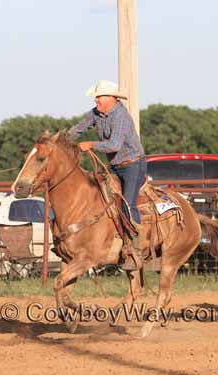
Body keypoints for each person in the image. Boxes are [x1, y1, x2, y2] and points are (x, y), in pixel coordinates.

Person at [69, 80, 146, 270]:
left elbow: (114, 145)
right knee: (102, 201)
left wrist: (91, 144)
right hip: (115, 165)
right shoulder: (97, 113)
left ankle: (134, 248)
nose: (96, 100)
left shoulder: (121, 116)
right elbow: (80, 127)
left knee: (127, 204)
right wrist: (62, 140)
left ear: (112, 98)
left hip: (133, 165)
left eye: (99, 96)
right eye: (96, 96)